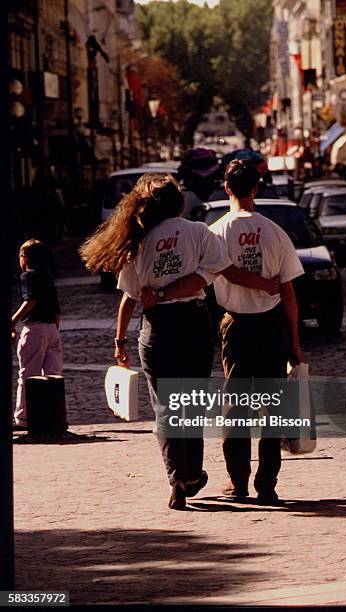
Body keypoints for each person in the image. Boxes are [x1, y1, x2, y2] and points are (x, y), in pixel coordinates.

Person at [79, 173, 280, 510]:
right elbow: (207, 275)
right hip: (192, 325)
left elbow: (129, 297)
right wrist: (166, 292)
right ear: (179, 201)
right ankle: (191, 472)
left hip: (155, 329)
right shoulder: (197, 232)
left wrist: (120, 340)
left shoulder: (139, 242)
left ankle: (178, 478)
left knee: (165, 407)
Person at [209, 160, 305, 504]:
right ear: (256, 188)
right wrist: (295, 342)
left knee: (235, 406)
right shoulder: (275, 232)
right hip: (272, 324)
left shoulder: (216, 232)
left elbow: (205, 283)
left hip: (234, 324)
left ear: (226, 187)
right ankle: (267, 484)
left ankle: (238, 482)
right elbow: (289, 292)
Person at [12, 239, 63, 429]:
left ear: (24, 257)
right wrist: (54, 330)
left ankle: (22, 418)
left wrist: (13, 319)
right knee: (53, 374)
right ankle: (53, 416)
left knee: (28, 375)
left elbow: (30, 301)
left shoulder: (28, 277)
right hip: (51, 328)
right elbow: (57, 308)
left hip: (34, 329)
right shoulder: (47, 276)